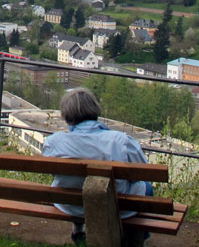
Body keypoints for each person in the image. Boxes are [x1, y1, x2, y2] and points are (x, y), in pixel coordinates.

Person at [42, 87, 152, 247]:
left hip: (71, 206)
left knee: (71, 183)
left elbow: (53, 174)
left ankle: (78, 229)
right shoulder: (121, 141)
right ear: (95, 110)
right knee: (146, 187)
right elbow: (142, 174)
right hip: (116, 208)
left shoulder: (54, 142)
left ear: (67, 115)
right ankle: (138, 238)